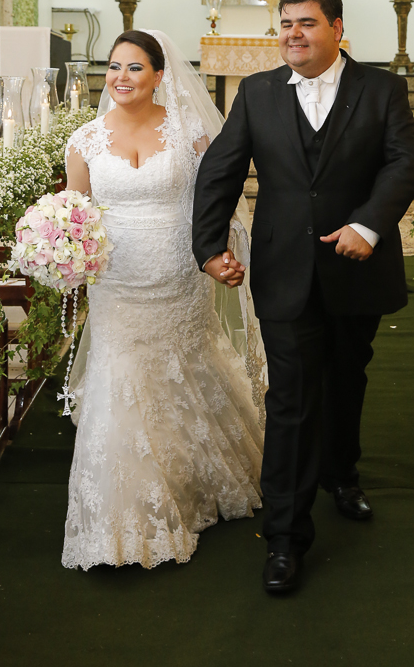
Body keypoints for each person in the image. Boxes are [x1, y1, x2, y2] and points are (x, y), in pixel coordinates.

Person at [192, 0, 414, 595]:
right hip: (285, 270)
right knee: (291, 397)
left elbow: (406, 162)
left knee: (347, 375)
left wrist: (369, 225)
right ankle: (286, 538)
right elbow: (221, 169)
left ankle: (342, 475)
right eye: (286, 23)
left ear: (337, 28)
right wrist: (210, 247)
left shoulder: (382, 89)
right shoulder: (257, 93)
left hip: (358, 266)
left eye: (307, 23)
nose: (293, 33)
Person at [62, 29, 264, 571]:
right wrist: (58, 251)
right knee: (119, 378)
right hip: (118, 283)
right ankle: (124, 523)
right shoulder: (82, 142)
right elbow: (74, 216)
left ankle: (195, 477)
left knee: (186, 365)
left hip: (178, 273)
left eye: (133, 68)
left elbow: (215, 199)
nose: (120, 78)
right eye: (113, 67)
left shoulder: (192, 133)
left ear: (158, 75)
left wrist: (219, 254)